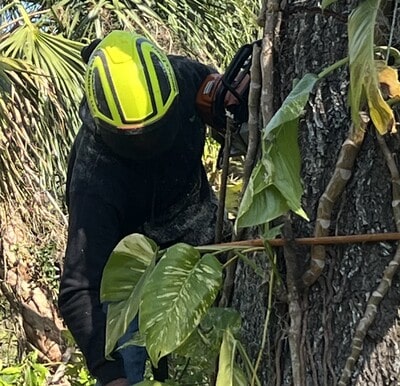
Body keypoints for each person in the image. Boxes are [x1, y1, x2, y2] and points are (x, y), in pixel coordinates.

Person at [58, 30, 232, 386]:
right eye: (139, 139)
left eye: (156, 131)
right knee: (127, 362)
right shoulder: (94, 176)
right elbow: (80, 286)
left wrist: (228, 103)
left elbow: (217, 92)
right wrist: (112, 375)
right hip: (130, 277)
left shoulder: (185, 77)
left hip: (205, 236)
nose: (151, 145)